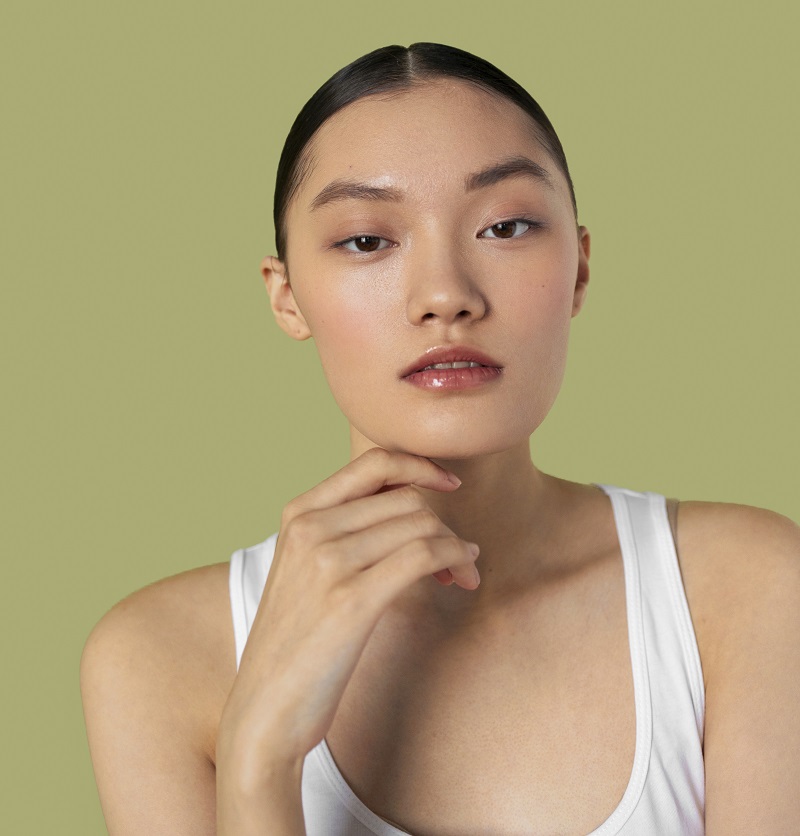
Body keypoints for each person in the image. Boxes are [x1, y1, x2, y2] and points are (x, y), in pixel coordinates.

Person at [80, 42, 800, 835]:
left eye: (506, 226)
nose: (445, 295)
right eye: (367, 240)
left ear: (579, 270)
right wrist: (258, 757)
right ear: (287, 299)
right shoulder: (158, 659)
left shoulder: (741, 589)